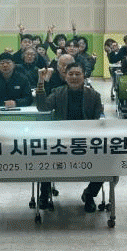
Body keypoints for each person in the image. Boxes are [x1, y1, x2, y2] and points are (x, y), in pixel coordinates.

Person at [35, 62, 104, 212]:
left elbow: (100, 119)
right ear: (65, 76)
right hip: (61, 142)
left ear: (84, 76)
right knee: (43, 155)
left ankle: (90, 194)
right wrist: (41, 81)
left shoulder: (94, 96)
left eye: (78, 74)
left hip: (86, 142)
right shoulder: (58, 92)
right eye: (70, 74)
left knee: (106, 160)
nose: (74, 77)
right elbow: (42, 107)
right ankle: (44, 193)